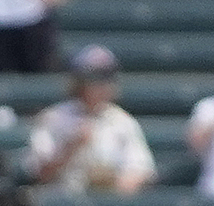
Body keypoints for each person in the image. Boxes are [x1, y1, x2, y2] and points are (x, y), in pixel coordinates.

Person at [24, 45, 153, 195]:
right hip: (63, 200)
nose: (100, 86)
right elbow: (39, 174)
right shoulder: (54, 117)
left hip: (108, 204)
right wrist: (70, 147)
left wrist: (111, 183)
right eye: (93, 79)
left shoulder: (123, 121)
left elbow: (141, 171)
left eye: (106, 79)